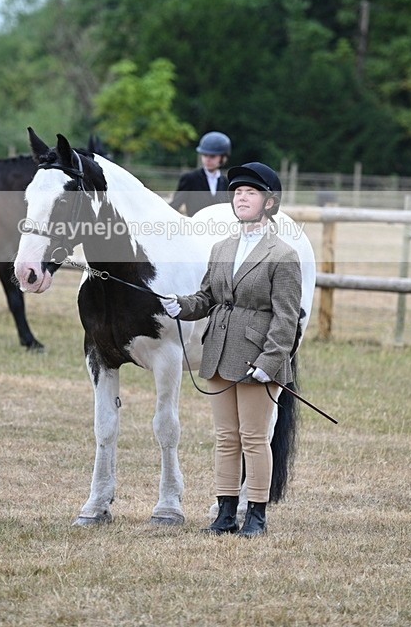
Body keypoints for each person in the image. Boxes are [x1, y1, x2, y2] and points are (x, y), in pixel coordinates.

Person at [163, 162, 302, 537]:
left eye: (251, 192)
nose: (241, 197)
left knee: (255, 438)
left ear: (269, 203)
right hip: (220, 352)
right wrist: (181, 304)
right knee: (226, 437)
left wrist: (270, 361)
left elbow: (287, 318)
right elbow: (208, 297)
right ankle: (225, 512)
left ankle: (255, 512)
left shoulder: (283, 255)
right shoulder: (222, 247)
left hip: (257, 357)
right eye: (238, 192)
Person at [169, 131, 231, 217]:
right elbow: (175, 206)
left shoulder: (226, 182)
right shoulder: (190, 178)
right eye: (205, 155)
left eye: (212, 156)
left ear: (223, 157)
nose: (208, 159)